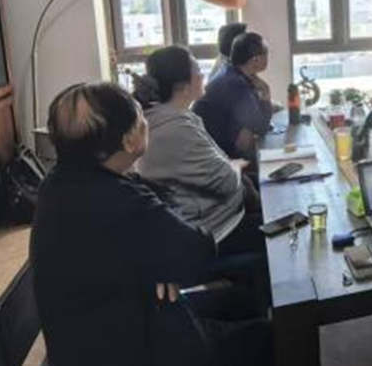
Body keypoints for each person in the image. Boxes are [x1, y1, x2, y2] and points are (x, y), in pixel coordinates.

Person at [31, 83, 217, 366]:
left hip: (97, 338)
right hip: (131, 347)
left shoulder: (58, 183)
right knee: (265, 333)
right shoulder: (118, 201)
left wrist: (163, 262)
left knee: (236, 305)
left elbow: (161, 218)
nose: (146, 123)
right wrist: (166, 260)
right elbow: (200, 252)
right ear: (129, 141)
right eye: (140, 117)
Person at [133, 46, 261, 254]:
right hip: (213, 231)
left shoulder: (170, 117)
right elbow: (227, 182)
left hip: (208, 218)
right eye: (197, 69)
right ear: (183, 85)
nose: (202, 75)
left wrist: (233, 167)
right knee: (285, 232)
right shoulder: (175, 128)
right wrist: (235, 166)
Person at [194, 32, 272, 169]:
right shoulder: (235, 83)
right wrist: (266, 92)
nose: (268, 57)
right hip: (217, 159)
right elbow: (261, 127)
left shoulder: (230, 71)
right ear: (255, 59)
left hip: (214, 149)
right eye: (267, 53)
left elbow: (255, 116)